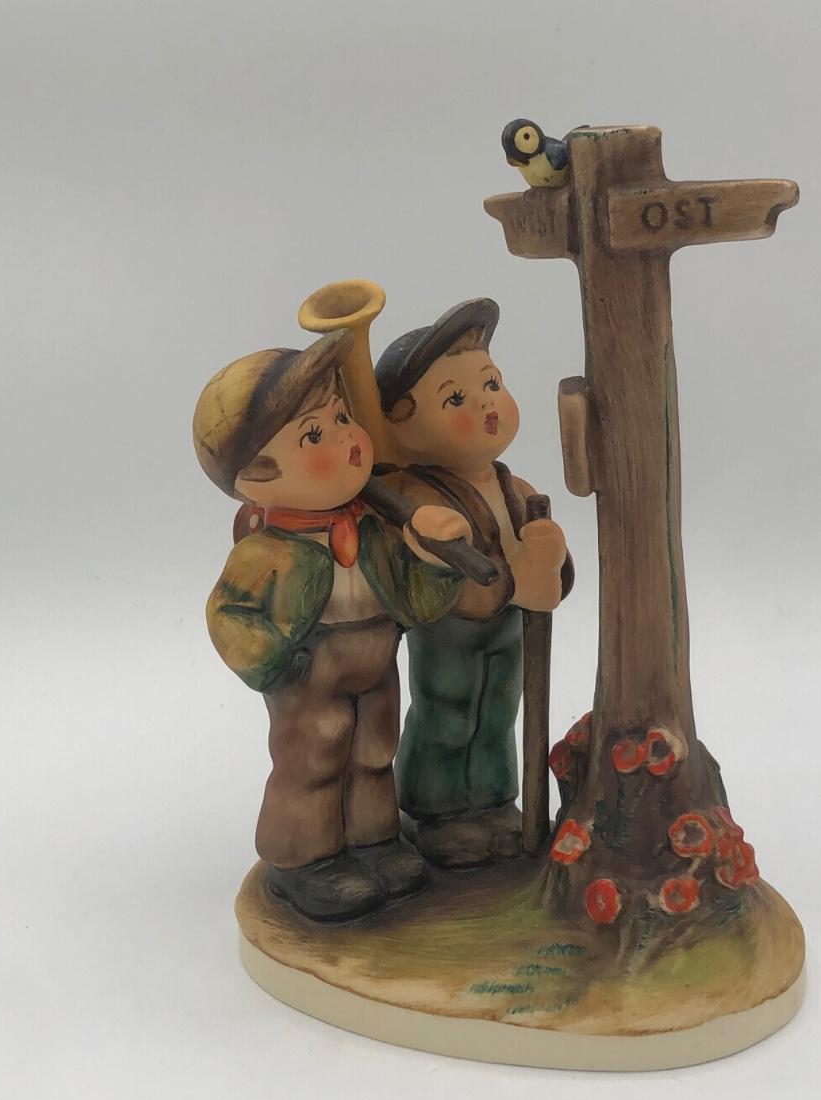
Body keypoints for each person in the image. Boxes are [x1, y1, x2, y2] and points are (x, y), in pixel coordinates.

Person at [193, 330, 471, 921]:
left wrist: (434, 560)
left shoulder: (373, 530)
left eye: (342, 418)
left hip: (376, 662)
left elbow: (414, 601)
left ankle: (375, 843)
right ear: (257, 473)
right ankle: (305, 859)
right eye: (314, 435)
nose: (346, 437)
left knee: (374, 753)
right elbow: (228, 615)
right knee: (315, 763)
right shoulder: (265, 553)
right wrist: (279, 663)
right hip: (311, 675)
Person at [374, 299, 572, 868]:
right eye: (455, 399)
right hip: (450, 635)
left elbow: (547, 570)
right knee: (448, 714)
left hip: (508, 633)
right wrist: (509, 579)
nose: (487, 402)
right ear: (401, 424)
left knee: (498, 715)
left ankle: (492, 803)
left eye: (491, 383)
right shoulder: (418, 495)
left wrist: (553, 555)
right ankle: (437, 811)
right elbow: (422, 562)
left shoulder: (516, 488)